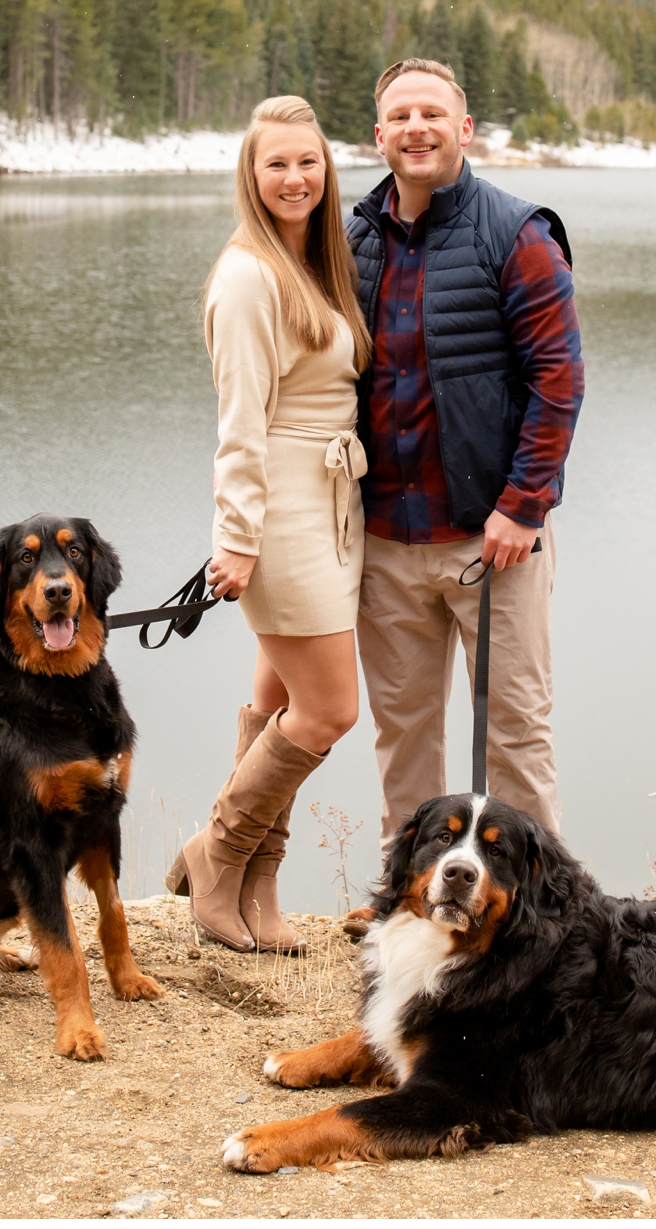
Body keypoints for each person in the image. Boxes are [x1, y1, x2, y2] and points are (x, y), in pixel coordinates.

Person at [340, 58, 584, 935]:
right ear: (379, 135)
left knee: (516, 732)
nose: (416, 127)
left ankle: (544, 920)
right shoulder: (354, 237)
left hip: (495, 542)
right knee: (405, 740)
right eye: (399, 115)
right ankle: (408, 910)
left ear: (464, 127)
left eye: (432, 113)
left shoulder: (515, 233)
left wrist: (524, 505)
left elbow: (559, 380)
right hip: (386, 541)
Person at [165, 96, 372, 953]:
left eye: (308, 162)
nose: (295, 178)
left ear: (327, 171)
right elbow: (239, 425)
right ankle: (216, 853)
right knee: (329, 711)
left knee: (275, 699)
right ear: (251, 176)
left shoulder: (317, 263)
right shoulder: (249, 274)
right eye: (276, 163)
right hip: (282, 511)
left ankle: (256, 886)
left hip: (333, 504)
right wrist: (238, 536)